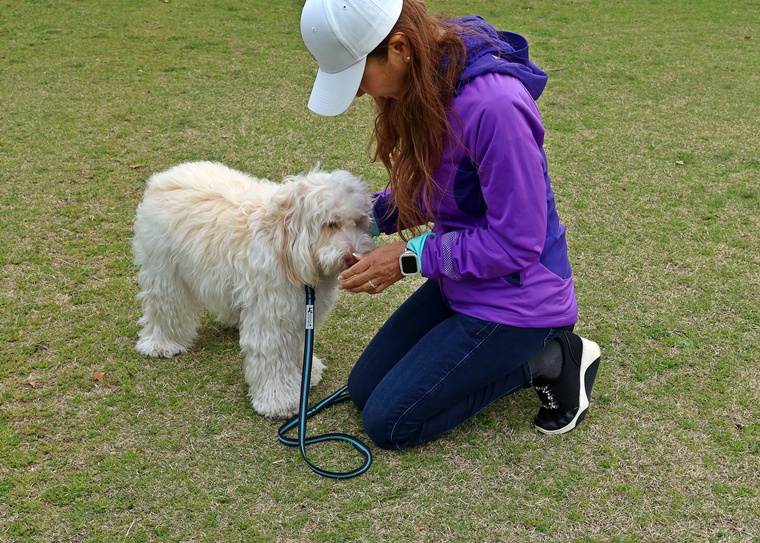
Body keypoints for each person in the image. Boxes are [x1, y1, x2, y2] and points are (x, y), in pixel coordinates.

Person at [300, 0, 601, 450]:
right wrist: (361, 217)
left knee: (390, 424)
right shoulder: (430, 81)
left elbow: (517, 242)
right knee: (363, 390)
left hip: (519, 301)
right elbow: (442, 185)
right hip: (460, 282)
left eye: (357, 75)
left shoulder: (496, 107)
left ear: (398, 47)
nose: (359, 93)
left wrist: (409, 258)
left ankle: (551, 359)